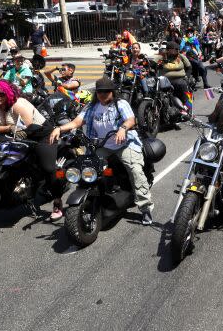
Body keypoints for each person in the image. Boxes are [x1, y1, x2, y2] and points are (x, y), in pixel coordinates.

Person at [49, 77, 153, 225]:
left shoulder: (120, 104)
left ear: (112, 92)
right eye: (100, 92)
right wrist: (59, 128)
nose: (103, 94)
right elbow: (77, 122)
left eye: (106, 91)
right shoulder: (92, 107)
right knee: (86, 168)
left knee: (135, 170)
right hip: (101, 146)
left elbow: (131, 120)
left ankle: (145, 207)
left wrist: (123, 129)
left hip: (123, 144)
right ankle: (92, 197)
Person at [0, 80, 64, 219]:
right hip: (13, 136)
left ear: (8, 93)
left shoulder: (18, 104)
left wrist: (12, 132)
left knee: (48, 168)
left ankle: (57, 202)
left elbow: (28, 129)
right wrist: (10, 128)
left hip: (40, 135)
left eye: (1, 94)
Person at [158, 41, 192, 114]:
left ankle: (187, 106)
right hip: (165, 80)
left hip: (180, 79)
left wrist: (187, 76)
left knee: (182, 84)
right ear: (168, 50)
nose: (176, 51)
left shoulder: (181, 56)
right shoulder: (162, 57)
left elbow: (189, 67)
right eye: (173, 49)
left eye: (177, 49)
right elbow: (153, 62)